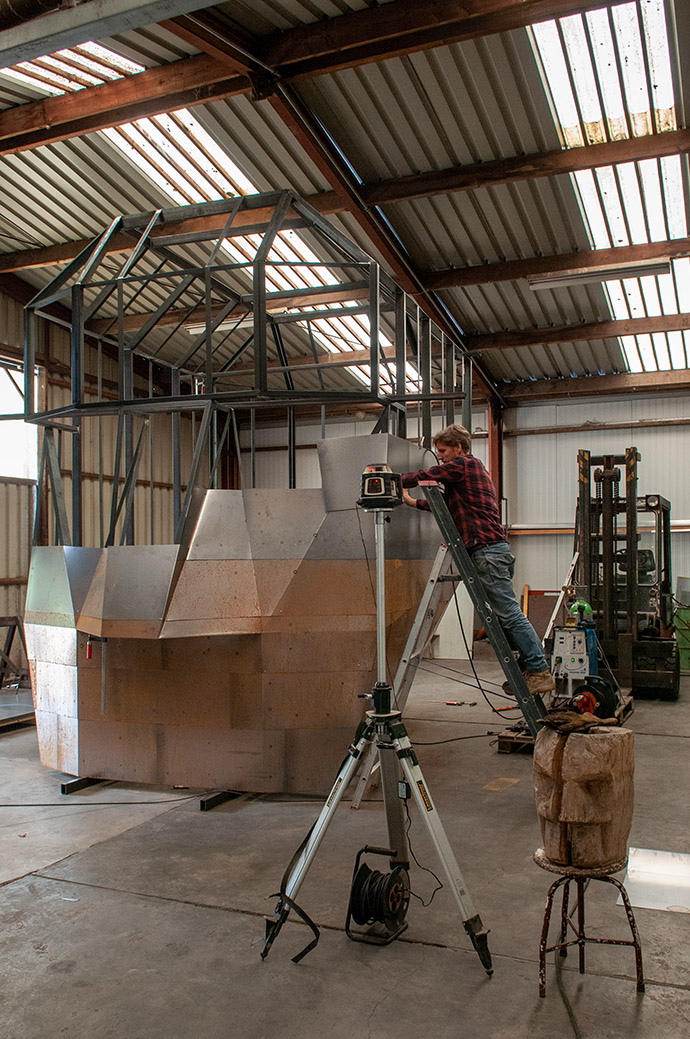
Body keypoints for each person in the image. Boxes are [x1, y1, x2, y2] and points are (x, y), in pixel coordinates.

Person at [400, 424, 555, 696]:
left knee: (509, 613)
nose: (441, 457)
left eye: (443, 451)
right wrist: (413, 502)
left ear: (459, 448)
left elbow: (428, 475)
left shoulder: (465, 465)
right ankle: (529, 668)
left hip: (487, 551)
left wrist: (393, 479)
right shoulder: (471, 474)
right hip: (490, 551)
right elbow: (447, 505)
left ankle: (539, 669)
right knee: (502, 616)